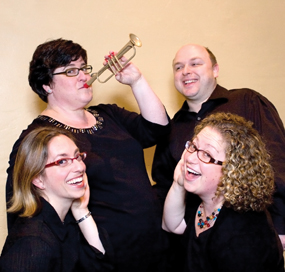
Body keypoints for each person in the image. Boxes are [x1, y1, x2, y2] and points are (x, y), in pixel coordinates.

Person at [6, 38, 169, 272]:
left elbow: (158, 130)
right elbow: (23, 207)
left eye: (84, 67)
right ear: (47, 85)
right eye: (71, 71)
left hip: (153, 249)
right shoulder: (39, 137)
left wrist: (137, 81)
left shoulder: (108, 114)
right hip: (103, 259)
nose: (83, 76)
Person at [152, 43, 285, 247]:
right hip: (194, 241)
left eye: (195, 63)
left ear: (215, 70)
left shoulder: (247, 101)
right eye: (178, 67)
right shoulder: (171, 128)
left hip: (249, 236)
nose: (185, 71)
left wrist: (281, 229)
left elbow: (278, 162)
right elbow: (165, 185)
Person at [162, 112, 284, 272]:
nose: (190, 158)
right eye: (193, 146)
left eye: (207, 155)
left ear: (232, 170)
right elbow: (172, 225)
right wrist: (178, 183)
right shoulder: (205, 204)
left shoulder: (244, 234)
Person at [1, 127, 112, 272]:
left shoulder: (64, 222)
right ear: (37, 179)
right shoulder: (33, 243)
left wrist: (81, 210)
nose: (80, 167)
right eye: (62, 161)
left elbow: (100, 264)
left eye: (77, 156)